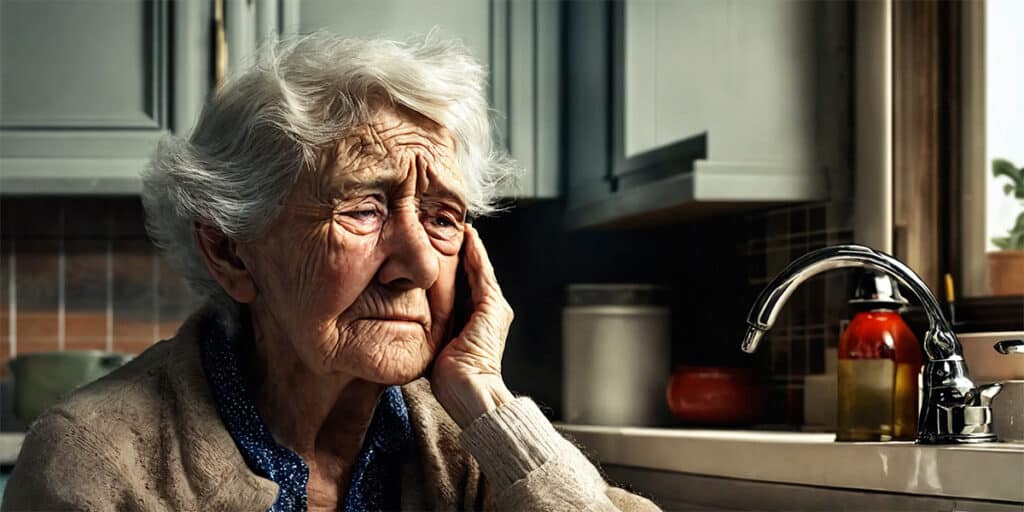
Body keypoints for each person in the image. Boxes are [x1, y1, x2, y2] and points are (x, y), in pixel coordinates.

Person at [2, 33, 660, 512]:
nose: (420, 262)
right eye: (365, 208)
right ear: (231, 251)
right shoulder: (99, 460)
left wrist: (485, 397)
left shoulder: (475, 446)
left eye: (443, 217)